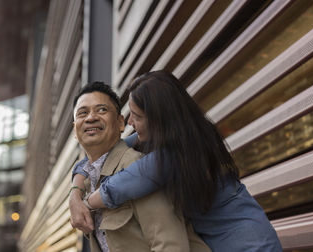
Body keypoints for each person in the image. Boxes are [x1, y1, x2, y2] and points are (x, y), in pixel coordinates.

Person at [70, 71, 283, 252]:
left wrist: (85, 205)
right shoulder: (180, 134)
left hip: (250, 246)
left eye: (137, 116)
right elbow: (105, 153)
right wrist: (75, 192)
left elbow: (122, 185)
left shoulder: (177, 152)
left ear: (158, 119)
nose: (131, 123)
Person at [69, 81, 210, 252]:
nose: (91, 118)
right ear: (75, 131)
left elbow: (171, 245)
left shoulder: (136, 169)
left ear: (121, 123)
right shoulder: (86, 183)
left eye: (102, 110)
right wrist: (75, 193)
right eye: (83, 113)